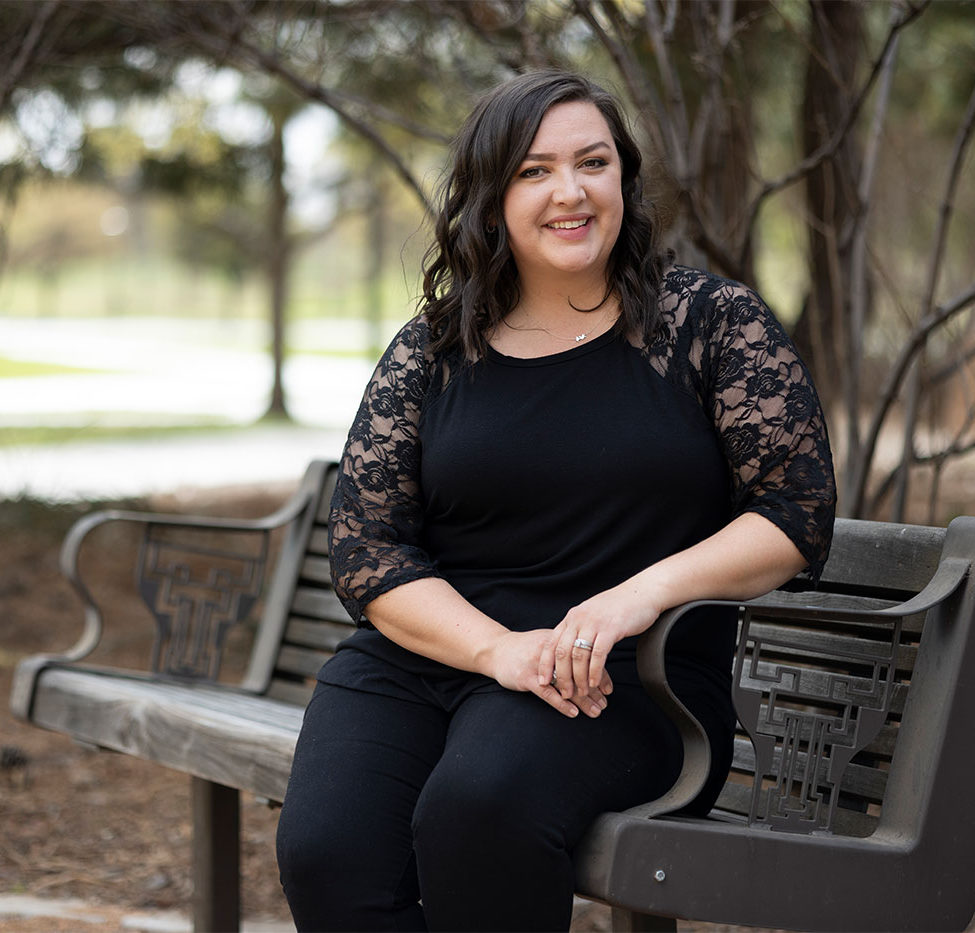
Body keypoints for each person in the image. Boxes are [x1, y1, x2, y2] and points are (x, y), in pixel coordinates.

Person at [275, 70, 835, 932]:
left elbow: (795, 512)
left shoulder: (710, 325)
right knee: (327, 852)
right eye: (534, 170)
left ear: (624, 179)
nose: (568, 192)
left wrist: (634, 596)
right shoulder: (434, 349)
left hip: (624, 680)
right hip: (441, 659)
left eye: (592, 162)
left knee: (475, 808)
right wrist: (497, 649)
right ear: (491, 197)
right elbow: (369, 550)